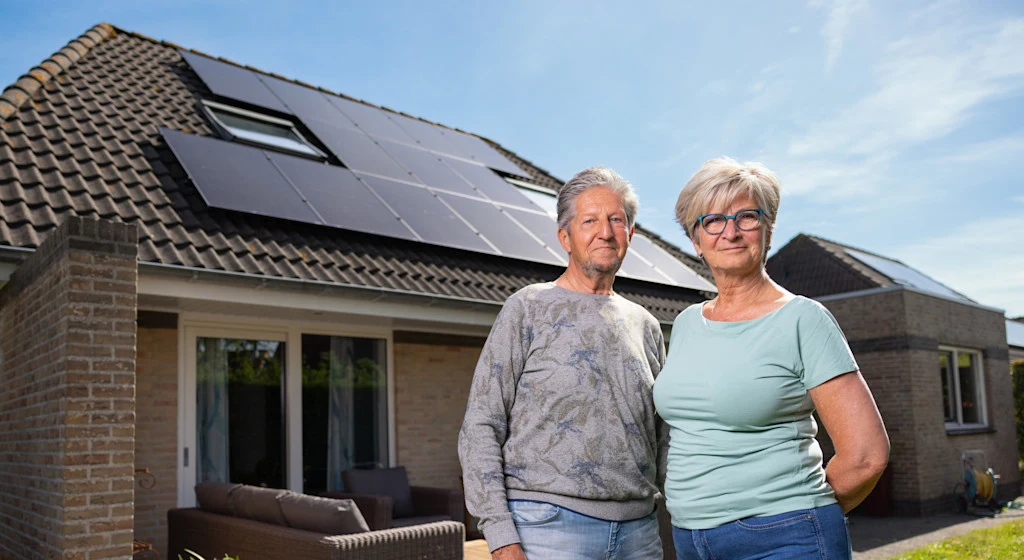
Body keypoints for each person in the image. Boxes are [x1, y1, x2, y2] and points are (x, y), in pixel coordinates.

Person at [653, 157, 890, 560]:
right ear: (696, 240)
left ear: (768, 230)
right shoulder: (688, 322)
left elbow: (866, 456)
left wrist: (802, 517)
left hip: (783, 539)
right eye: (713, 220)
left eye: (746, 217)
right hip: (691, 540)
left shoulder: (803, 319)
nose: (730, 232)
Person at [459, 166, 667, 560]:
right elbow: (481, 424)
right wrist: (500, 535)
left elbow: (663, 436)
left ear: (630, 234)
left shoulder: (647, 325)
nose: (605, 232)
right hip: (546, 529)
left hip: (640, 533)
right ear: (565, 237)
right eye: (589, 221)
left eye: (616, 220)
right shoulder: (527, 308)